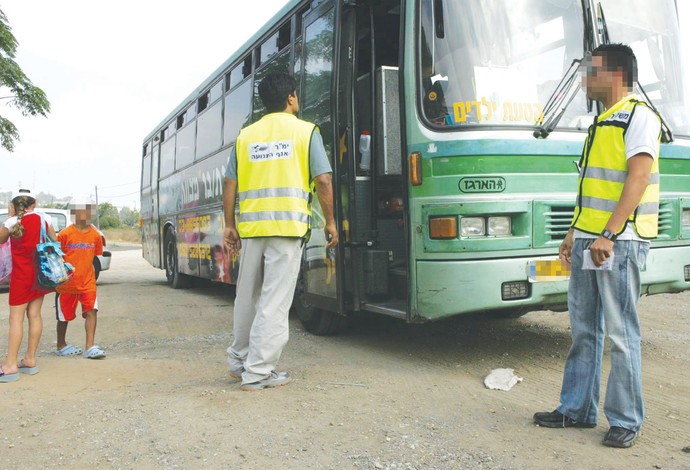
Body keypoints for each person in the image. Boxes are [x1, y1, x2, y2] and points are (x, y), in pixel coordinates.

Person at [534, 44, 661, 448]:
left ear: (616, 74)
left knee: (621, 334)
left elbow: (637, 180)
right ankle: (577, 409)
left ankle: (625, 420)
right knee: (584, 328)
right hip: (593, 240)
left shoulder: (639, 116)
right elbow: (593, 189)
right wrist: (575, 232)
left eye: (592, 71)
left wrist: (608, 234)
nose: (586, 78)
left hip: (617, 243)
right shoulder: (601, 122)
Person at [223, 70, 338, 391]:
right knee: (274, 301)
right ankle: (258, 373)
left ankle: (239, 361)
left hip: (252, 229)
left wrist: (229, 225)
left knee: (247, 297)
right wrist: (329, 221)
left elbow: (230, 182)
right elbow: (324, 180)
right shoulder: (306, 132)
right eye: (296, 94)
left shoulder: (246, 135)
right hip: (287, 229)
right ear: (290, 98)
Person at [0, 188, 56, 382]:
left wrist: (10, 216)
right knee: (35, 316)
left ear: (15, 204)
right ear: (34, 203)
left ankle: (10, 365)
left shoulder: (11, 221)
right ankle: (30, 359)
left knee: (15, 320)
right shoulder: (44, 219)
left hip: (20, 278)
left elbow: (0, 240)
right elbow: (54, 243)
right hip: (39, 276)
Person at [54, 195, 105, 359]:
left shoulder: (95, 236)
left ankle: (89, 347)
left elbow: (95, 255)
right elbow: (56, 257)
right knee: (63, 317)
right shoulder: (64, 235)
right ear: (75, 213)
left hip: (88, 282)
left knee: (92, 311)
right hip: (66, 284)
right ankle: (61, 345)